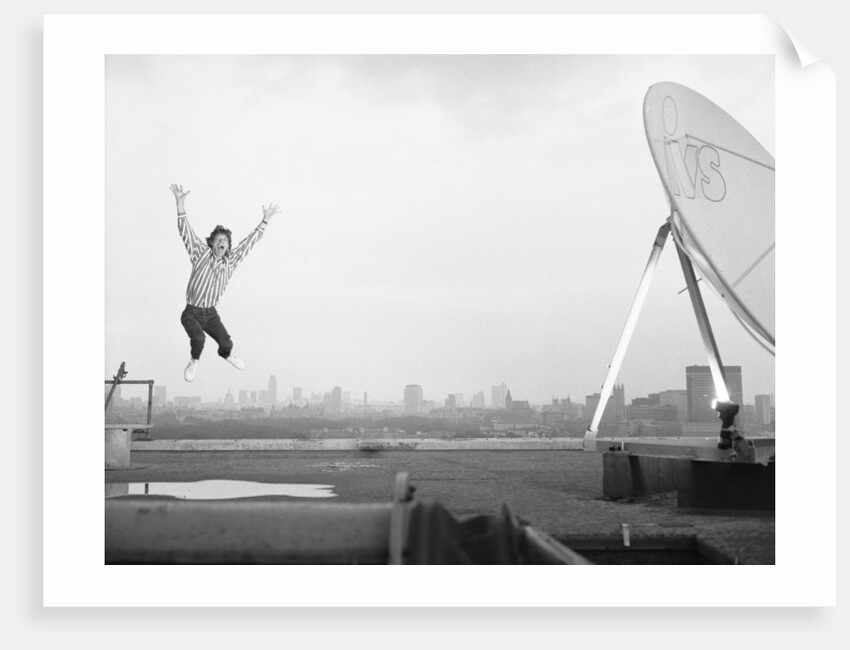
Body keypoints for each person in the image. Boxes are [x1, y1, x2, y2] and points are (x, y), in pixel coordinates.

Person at [170, 183, 280, 382]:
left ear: (228, 246)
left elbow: (249, 243)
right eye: (218, 240)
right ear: (211, 243)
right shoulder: (199, 254)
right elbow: (185, 231)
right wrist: (180, 205)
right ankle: (193, 361)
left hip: (211, 314)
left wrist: (264, 221)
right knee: (199, 339)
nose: (221, 243)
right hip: (192, 312)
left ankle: (226, 355)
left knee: (227, 344)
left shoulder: (231, 261)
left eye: (225, 241)